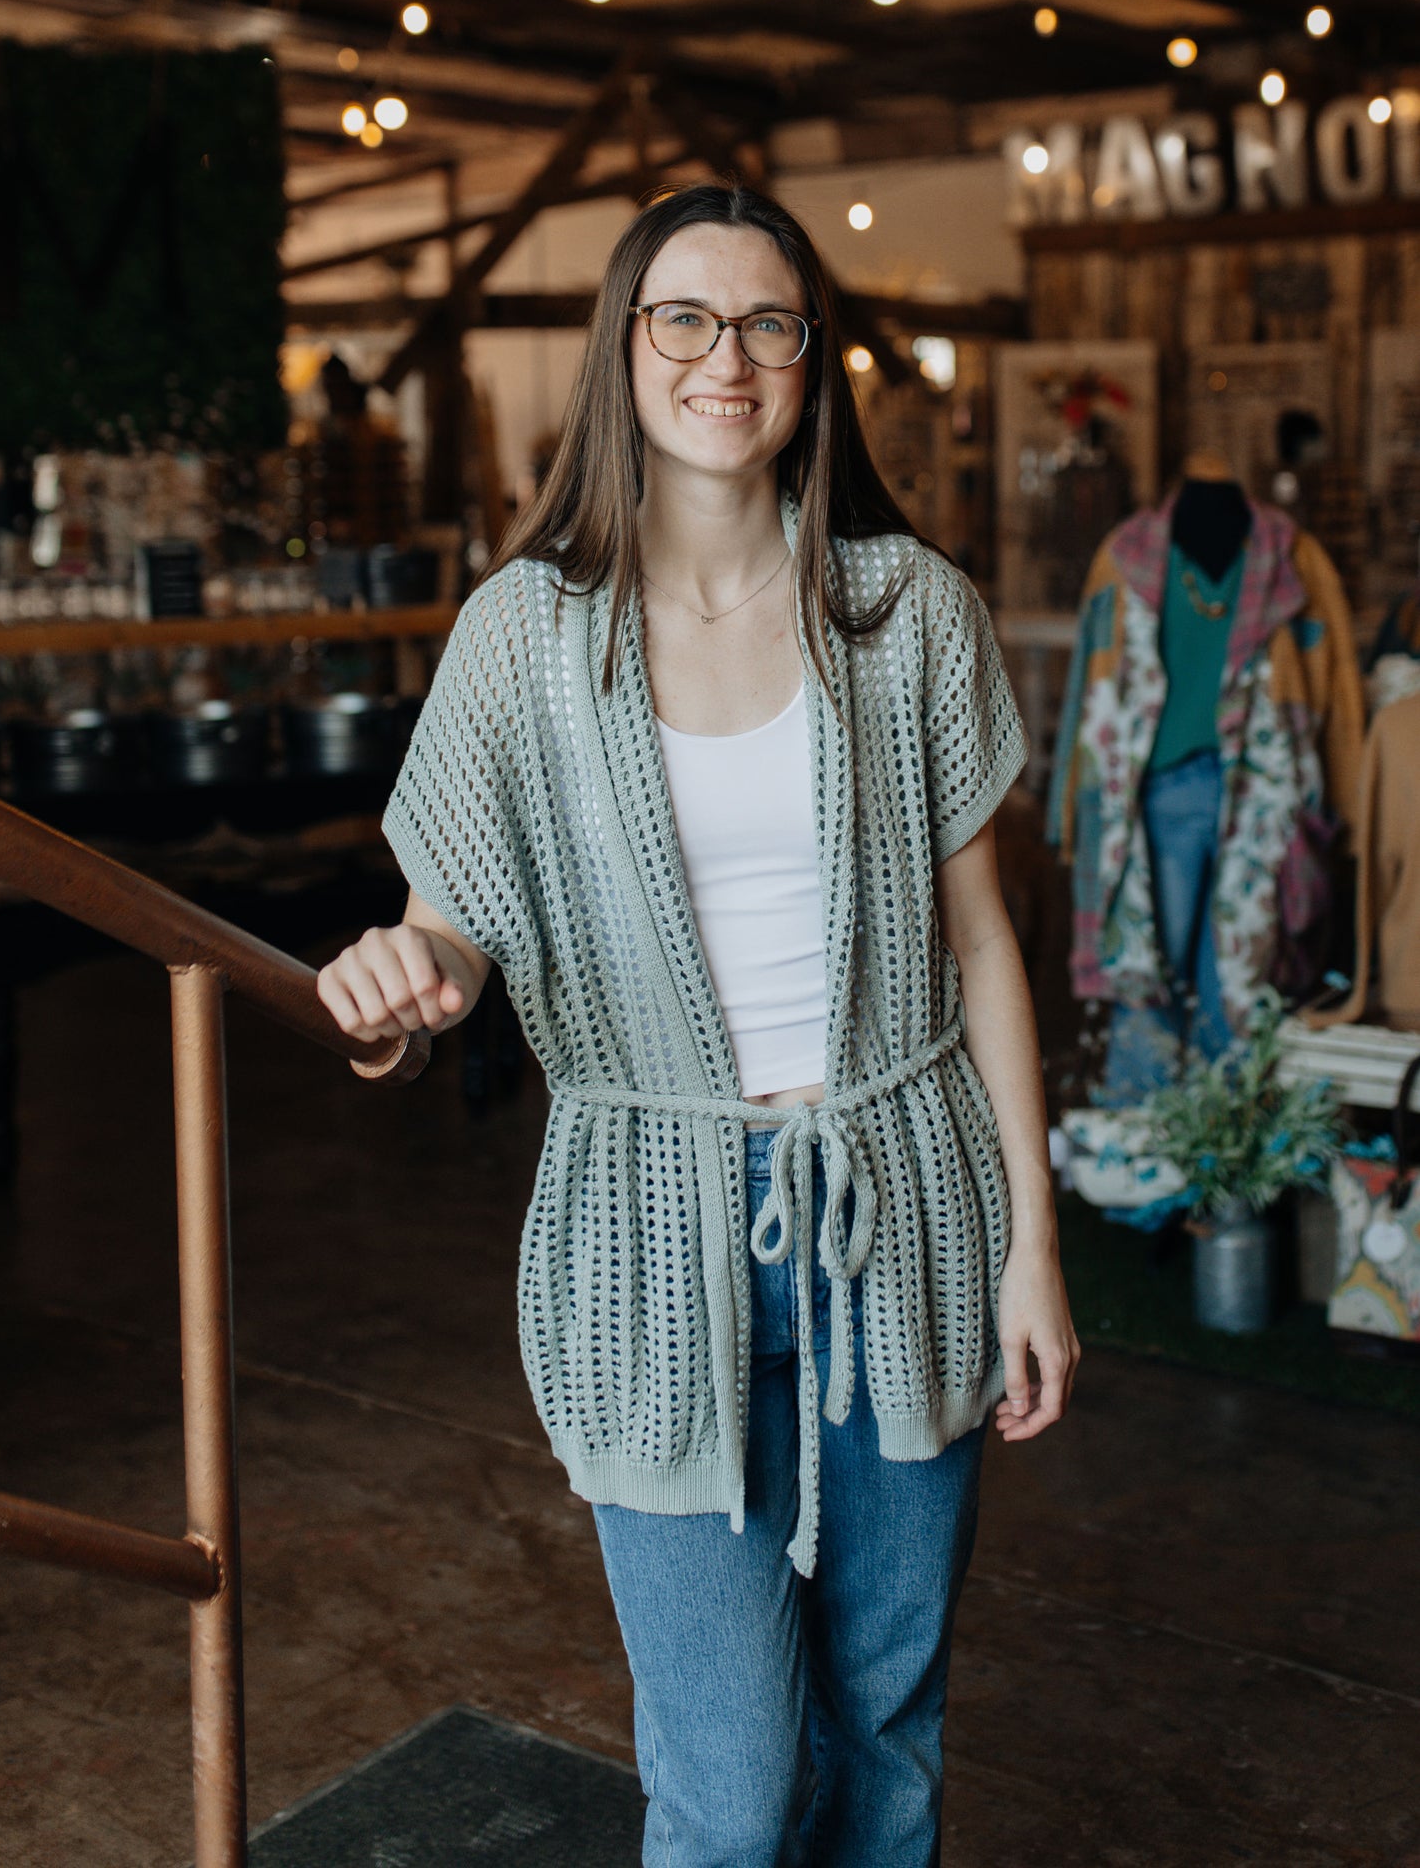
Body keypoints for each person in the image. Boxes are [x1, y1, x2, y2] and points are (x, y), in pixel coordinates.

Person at [317, 180, 1080, 1866]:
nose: (722, 359)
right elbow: (449, 924)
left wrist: (1033, 1251)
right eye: (683, 317)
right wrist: (405, 978)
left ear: (811, 363)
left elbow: (985, 949)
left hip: (904, 1209)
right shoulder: (522, 635)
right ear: (623, 347)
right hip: (646, 1233)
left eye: (765, 325)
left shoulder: (908, 613)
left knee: (884, 1730)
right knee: (727, 1789)